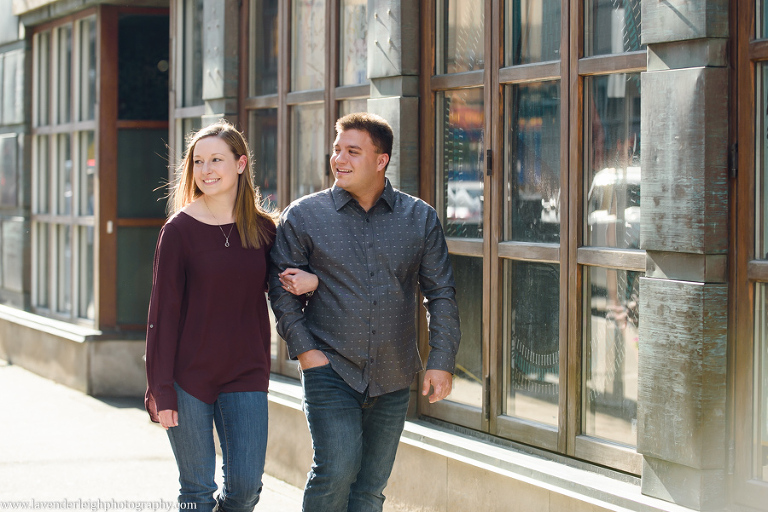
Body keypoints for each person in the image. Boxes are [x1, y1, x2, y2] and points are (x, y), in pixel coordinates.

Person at [269, 112, 461, 512]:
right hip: (330, 367)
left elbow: (440, 292)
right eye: (337, 150)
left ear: (381, 160)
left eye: (353, 151)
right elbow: (281, 292)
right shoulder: (304, 216)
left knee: (371, 487)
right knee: (335, 471)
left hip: (393, 373)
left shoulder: (419, 217)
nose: (340, 159)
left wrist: (441, 361)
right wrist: (308, 354)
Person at [144, 120, 316, 512]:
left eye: (216, 159)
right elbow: (162, 314)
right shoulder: (178, 231)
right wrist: (160, 388)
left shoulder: (265, 230)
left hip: (245, 372)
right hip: (187, 376)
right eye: (198, 161)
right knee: (196, 492)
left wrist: (313, 281)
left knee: (244, 489)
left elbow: (284, 290)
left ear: (240, 164)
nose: (206, 170)